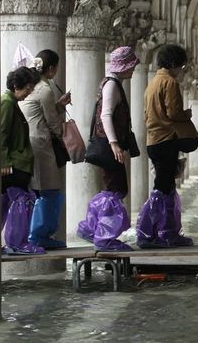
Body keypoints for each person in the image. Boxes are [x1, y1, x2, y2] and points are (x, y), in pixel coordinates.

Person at [136, 44, 198, 248]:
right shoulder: (169, 82)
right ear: (173, 64)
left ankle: (168, 233)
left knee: (167, 187)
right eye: (181, 66)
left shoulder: (153, 82)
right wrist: (186, 115)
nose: (181, 71)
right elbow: (173, 113)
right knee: (162, 188)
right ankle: (148, 235)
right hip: (166, 139)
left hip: (154, 140)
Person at [77, 46, 139, 251]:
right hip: (109, 145)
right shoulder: (112, 85)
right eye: (131, 66)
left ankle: (95, 229)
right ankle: (102, 235)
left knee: (115, 187)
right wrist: (114, 143)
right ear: (123, 66)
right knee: (115, 188)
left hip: (109, 144)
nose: (133, 70)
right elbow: (105, 115)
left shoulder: (112, 83)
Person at [19, 50, 72, 249]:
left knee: (39, 190)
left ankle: (34, 234)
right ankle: (39, 235)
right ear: (51, 68)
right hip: (41, 145)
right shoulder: (45, 89)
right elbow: (53, 124)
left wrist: (57, 106)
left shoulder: (33, 87)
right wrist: (65, 133)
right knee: (48, 191)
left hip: (31, 144)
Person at [1, 67, 44, 254]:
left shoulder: (11, 103)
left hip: (17, 162)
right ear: (16, 86)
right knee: (20, 200)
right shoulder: (7, 104)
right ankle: (17, 243)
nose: (28, 93)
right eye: (27, 88)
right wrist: (4, 162)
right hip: (13, 164)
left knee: (7, 202)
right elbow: (0, 134)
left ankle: (13, 242)